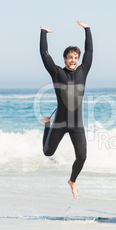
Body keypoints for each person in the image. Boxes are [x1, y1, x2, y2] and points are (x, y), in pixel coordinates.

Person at [39, 21, 93, 198]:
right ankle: (46, 124)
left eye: (75, 57)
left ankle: (72, 181)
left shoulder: (83, 71)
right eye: (70, 57)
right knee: (48, 152)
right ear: (65, 59)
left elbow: (90, 52)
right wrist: (44, 33)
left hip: (76, 125)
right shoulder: (57, 73)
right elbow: (44, 54)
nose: (73, 60)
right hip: (60, 123)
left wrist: (87, 30)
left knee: (82, 157)